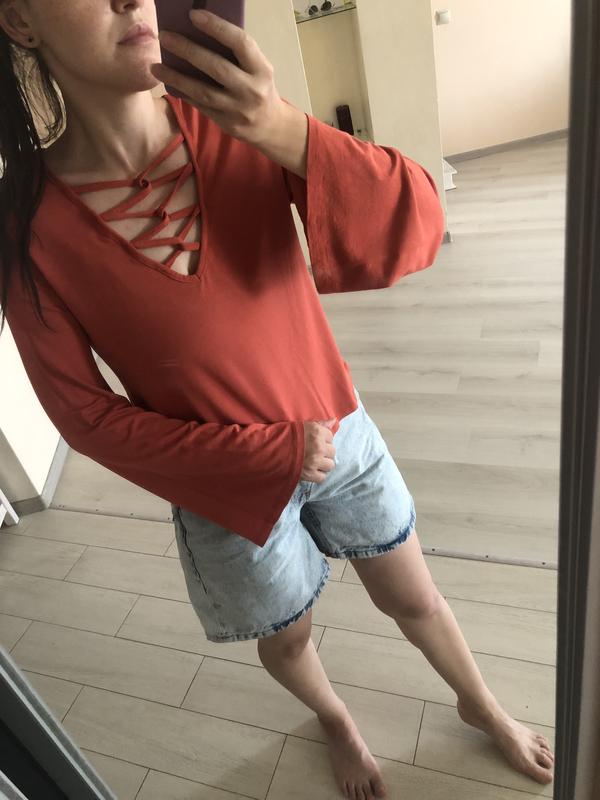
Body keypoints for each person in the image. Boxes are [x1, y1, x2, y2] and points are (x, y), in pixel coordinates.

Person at [0, 2, 555, 798]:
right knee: (289, 641)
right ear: (21, 21)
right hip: (221, 490)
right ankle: (335, 717)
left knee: (415, 596)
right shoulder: (25, 227)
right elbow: (85, 419)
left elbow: (417, 226)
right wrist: (270, 452)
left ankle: (480, 703)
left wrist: (284, 130)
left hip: (340, 428)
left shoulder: (241, 125)